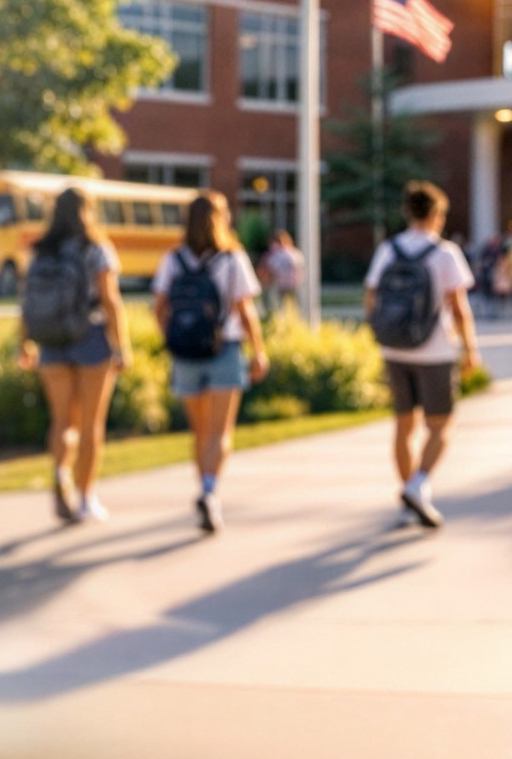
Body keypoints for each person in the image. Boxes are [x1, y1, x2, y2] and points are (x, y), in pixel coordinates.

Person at [364, 179, 480, 529]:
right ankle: (417, 485)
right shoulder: (444, 253)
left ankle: (408, 498)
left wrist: (383, 332)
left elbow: (371, 297)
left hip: (395, 349)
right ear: (436, 214)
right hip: (435, 350)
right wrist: (470, 349)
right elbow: (459, 307)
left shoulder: (388, 249)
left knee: (404, 425)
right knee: (441, 425)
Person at [153, 192, 268, 533]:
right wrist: (259, 350)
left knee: (200, 431)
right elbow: (245, 311)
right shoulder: (232, 259)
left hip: (186, 353)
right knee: (220, 432)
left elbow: (159, 307)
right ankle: (209, 490)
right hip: (225, 348)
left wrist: (172, 338)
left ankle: (204, 485)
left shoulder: (173, 259)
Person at [19, 186, 130, 524]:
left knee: (63, 421)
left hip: (51, 342)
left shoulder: (42, 250)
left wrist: (24, 343)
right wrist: (121, 347)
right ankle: (85, 498)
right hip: (91, 338)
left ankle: (60, 472)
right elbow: (110, 301)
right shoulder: (95, 248)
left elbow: (27, 302)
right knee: (91, 424)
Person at [260, 229, 304, 314]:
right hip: (296, 283)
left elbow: (268, 268)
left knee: (279, 306)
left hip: (280, 283)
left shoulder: (274, 254)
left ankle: (271, 313)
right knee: (296, 304)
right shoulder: (296, 253)